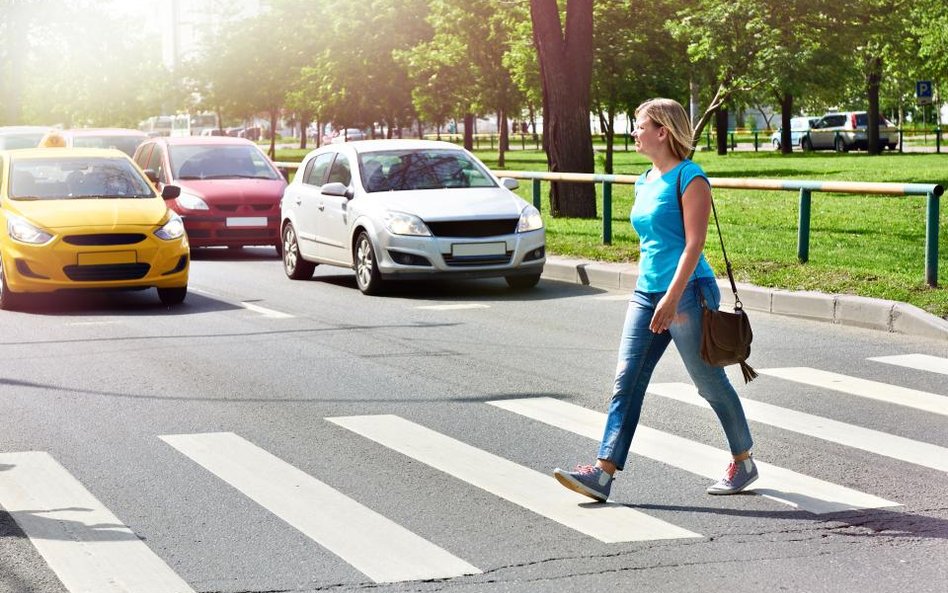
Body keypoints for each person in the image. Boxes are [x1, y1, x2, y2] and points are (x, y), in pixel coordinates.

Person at [553, 98, 757, 502]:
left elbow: (694, 244)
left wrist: (673, 296)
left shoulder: (690, 177)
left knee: (708, 382)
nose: (633, 132)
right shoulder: (643, 180)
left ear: (662, 131)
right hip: (647, 294)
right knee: (626, 380)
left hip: (687, 292)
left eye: (639, 125)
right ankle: (603, 472)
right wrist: (652, 291)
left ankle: (743, 460)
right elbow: (652, 242)